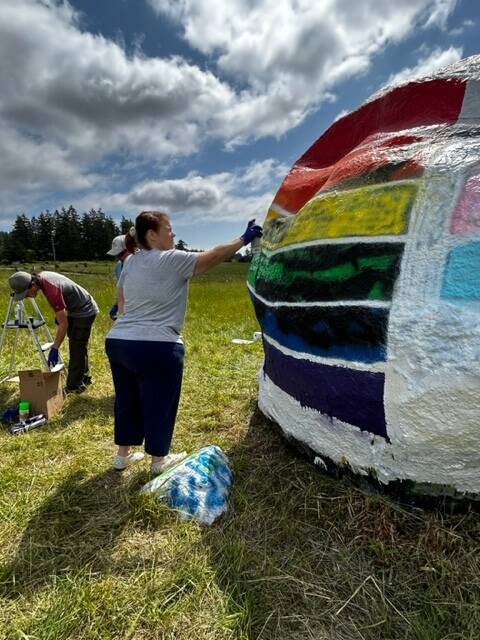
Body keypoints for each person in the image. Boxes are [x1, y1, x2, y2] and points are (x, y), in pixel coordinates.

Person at [105, 211, 262, 474]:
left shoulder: (130, 262)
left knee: (126, 399)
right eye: (169, 229)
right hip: (158, 345)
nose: (174, 234)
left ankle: (122, 456)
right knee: (160, 401)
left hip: (119, 341)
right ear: (152, 234)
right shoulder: (172, 259)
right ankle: (158, 461)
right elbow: (211, 257)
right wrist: (243, 239)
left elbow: (121, 299)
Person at [8, 271, 99, 393]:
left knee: (77, 346)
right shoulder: (41, 278)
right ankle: (85, 376)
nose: (28, 296)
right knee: (78, 345)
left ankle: (74, 387)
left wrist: (55, 347)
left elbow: (64, 324)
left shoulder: (52, 291)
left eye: (26, 293)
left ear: (33, 284)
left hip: (85, 310)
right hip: (74, 308)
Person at [106, 234, 132, 320]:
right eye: (117, 255)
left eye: (121, 254)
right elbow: (122, 289)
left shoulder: (144, 265)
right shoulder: (118, 266)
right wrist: (116, 305)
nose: (119, 258)